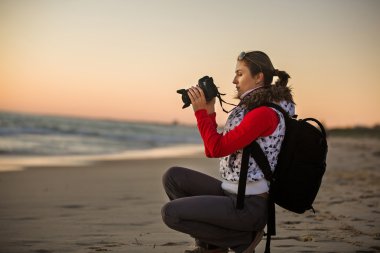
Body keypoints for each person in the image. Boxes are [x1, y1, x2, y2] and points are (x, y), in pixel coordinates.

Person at [161, 51, 295, 253]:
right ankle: (212, 246)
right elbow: (212, 146)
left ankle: (242, 238)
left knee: (171, 214)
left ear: (259, 77)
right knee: (173, 177)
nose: (234, 80)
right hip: (231, 192)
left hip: (249, 206)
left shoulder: (264, 114)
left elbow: (216, 149)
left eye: (240, 74)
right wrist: (210, 110)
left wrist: (200, 113)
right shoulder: (250, 108)